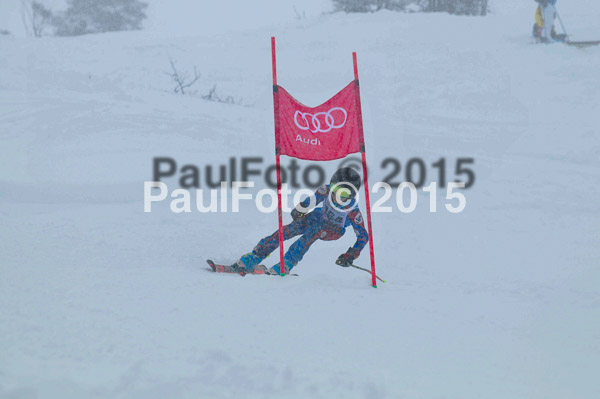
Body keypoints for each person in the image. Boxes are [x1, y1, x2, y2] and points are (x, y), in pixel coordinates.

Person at [233, 168, 369, 275]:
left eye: (344, 194)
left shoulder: (352, 210)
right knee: (288, 230)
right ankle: (256, 256)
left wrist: (351, 254)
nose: (337, 196)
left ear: (351, 195)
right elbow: (312, 201)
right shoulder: (325, 190)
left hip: (334, 230)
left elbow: (363, 236)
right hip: (319, 217)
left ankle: (287, 263)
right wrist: (301, 209)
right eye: (335, 189)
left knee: (313, 232)